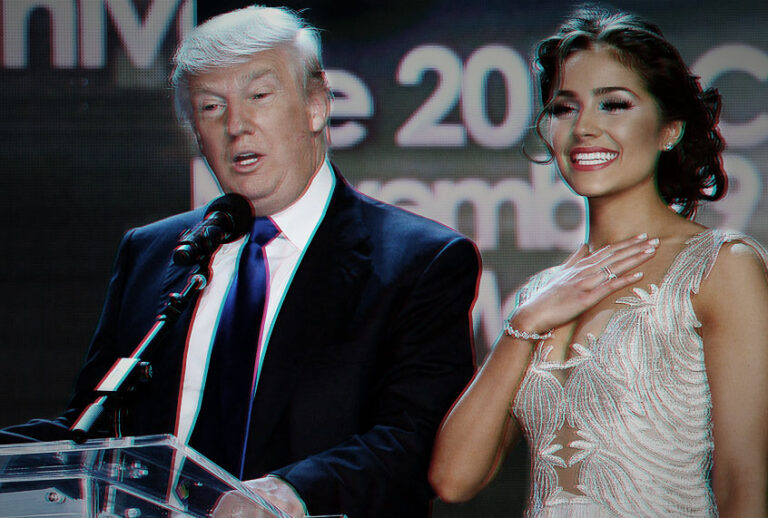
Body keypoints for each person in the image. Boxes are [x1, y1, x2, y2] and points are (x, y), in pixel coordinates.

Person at [0, 6, 479, 518]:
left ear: (316, 105)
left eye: (259, 97)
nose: (236, 126)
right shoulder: (153, 251)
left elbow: (414, 438)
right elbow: (89, 430)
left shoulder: (419, 262)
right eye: (210, 107)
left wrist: (287, 493)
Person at [429, 5, 768, 517]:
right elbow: (453, 480)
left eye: (613, 104)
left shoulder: (721, 269)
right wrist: (521, 326)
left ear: (669, 129)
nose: (583, 127)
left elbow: (743, 482)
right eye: (564, 108)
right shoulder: (539, 297)